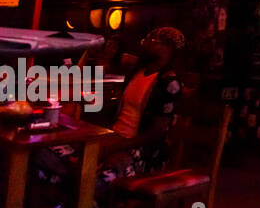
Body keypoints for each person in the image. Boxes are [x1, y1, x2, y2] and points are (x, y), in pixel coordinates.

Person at [36, 26, 186, 198]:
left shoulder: (169, 83)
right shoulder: (138, 72)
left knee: (96, 177)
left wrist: (112, 147)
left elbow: (156, 133)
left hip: (143, 151)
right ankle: (69, 199)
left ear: (167, 48)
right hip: (114, 137)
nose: (144, 43)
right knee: (46, 151)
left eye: (152, 40)